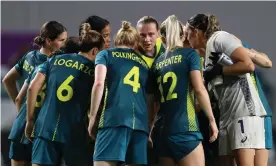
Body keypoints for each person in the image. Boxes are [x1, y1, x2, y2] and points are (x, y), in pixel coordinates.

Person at [185, 13, 268, 166]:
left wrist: (220, 71)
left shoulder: (219, 37)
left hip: (244, 111)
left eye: (187, 33)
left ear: (195, 31)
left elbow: (248, 65)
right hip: (226, 116)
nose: (186, 38)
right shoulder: (207, 55)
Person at [25, 23, 104, 166]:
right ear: (95, 51)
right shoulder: (94, 71)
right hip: (74, 131)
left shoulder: (54, 60)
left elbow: (32, 88)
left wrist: (30, 120)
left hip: (45, 128)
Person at [151, 15, 218, 166]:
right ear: (183, 35)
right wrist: (212, 121)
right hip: (185, 129)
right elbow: (199, 89)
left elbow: (153, 101)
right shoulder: (190, 55)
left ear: (162, 39)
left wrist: (150, 130)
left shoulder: (156, 63)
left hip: (162, 132)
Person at [5, 21, 67, 166]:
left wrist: (22, 111)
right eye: (62, 40)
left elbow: (7, 80)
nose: (64, 45)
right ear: (49, 41)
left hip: (20, 128)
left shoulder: (29, 56)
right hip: (43, 130)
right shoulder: (56, 64)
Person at [88, 21, 150, 166]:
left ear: (117, 41)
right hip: (140, 125)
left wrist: (92, 117)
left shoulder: (106, 54)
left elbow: (98, 83)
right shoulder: (144, 64)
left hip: (114, 119)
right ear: (135, 44)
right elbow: (149, 97)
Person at [136, 16, 166, 166]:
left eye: (151, 34)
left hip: (165, 111)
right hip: (142, 112)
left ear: (158, 34)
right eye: (142, 35)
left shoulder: (164, 45)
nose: (147, 39)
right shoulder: (133, 56)